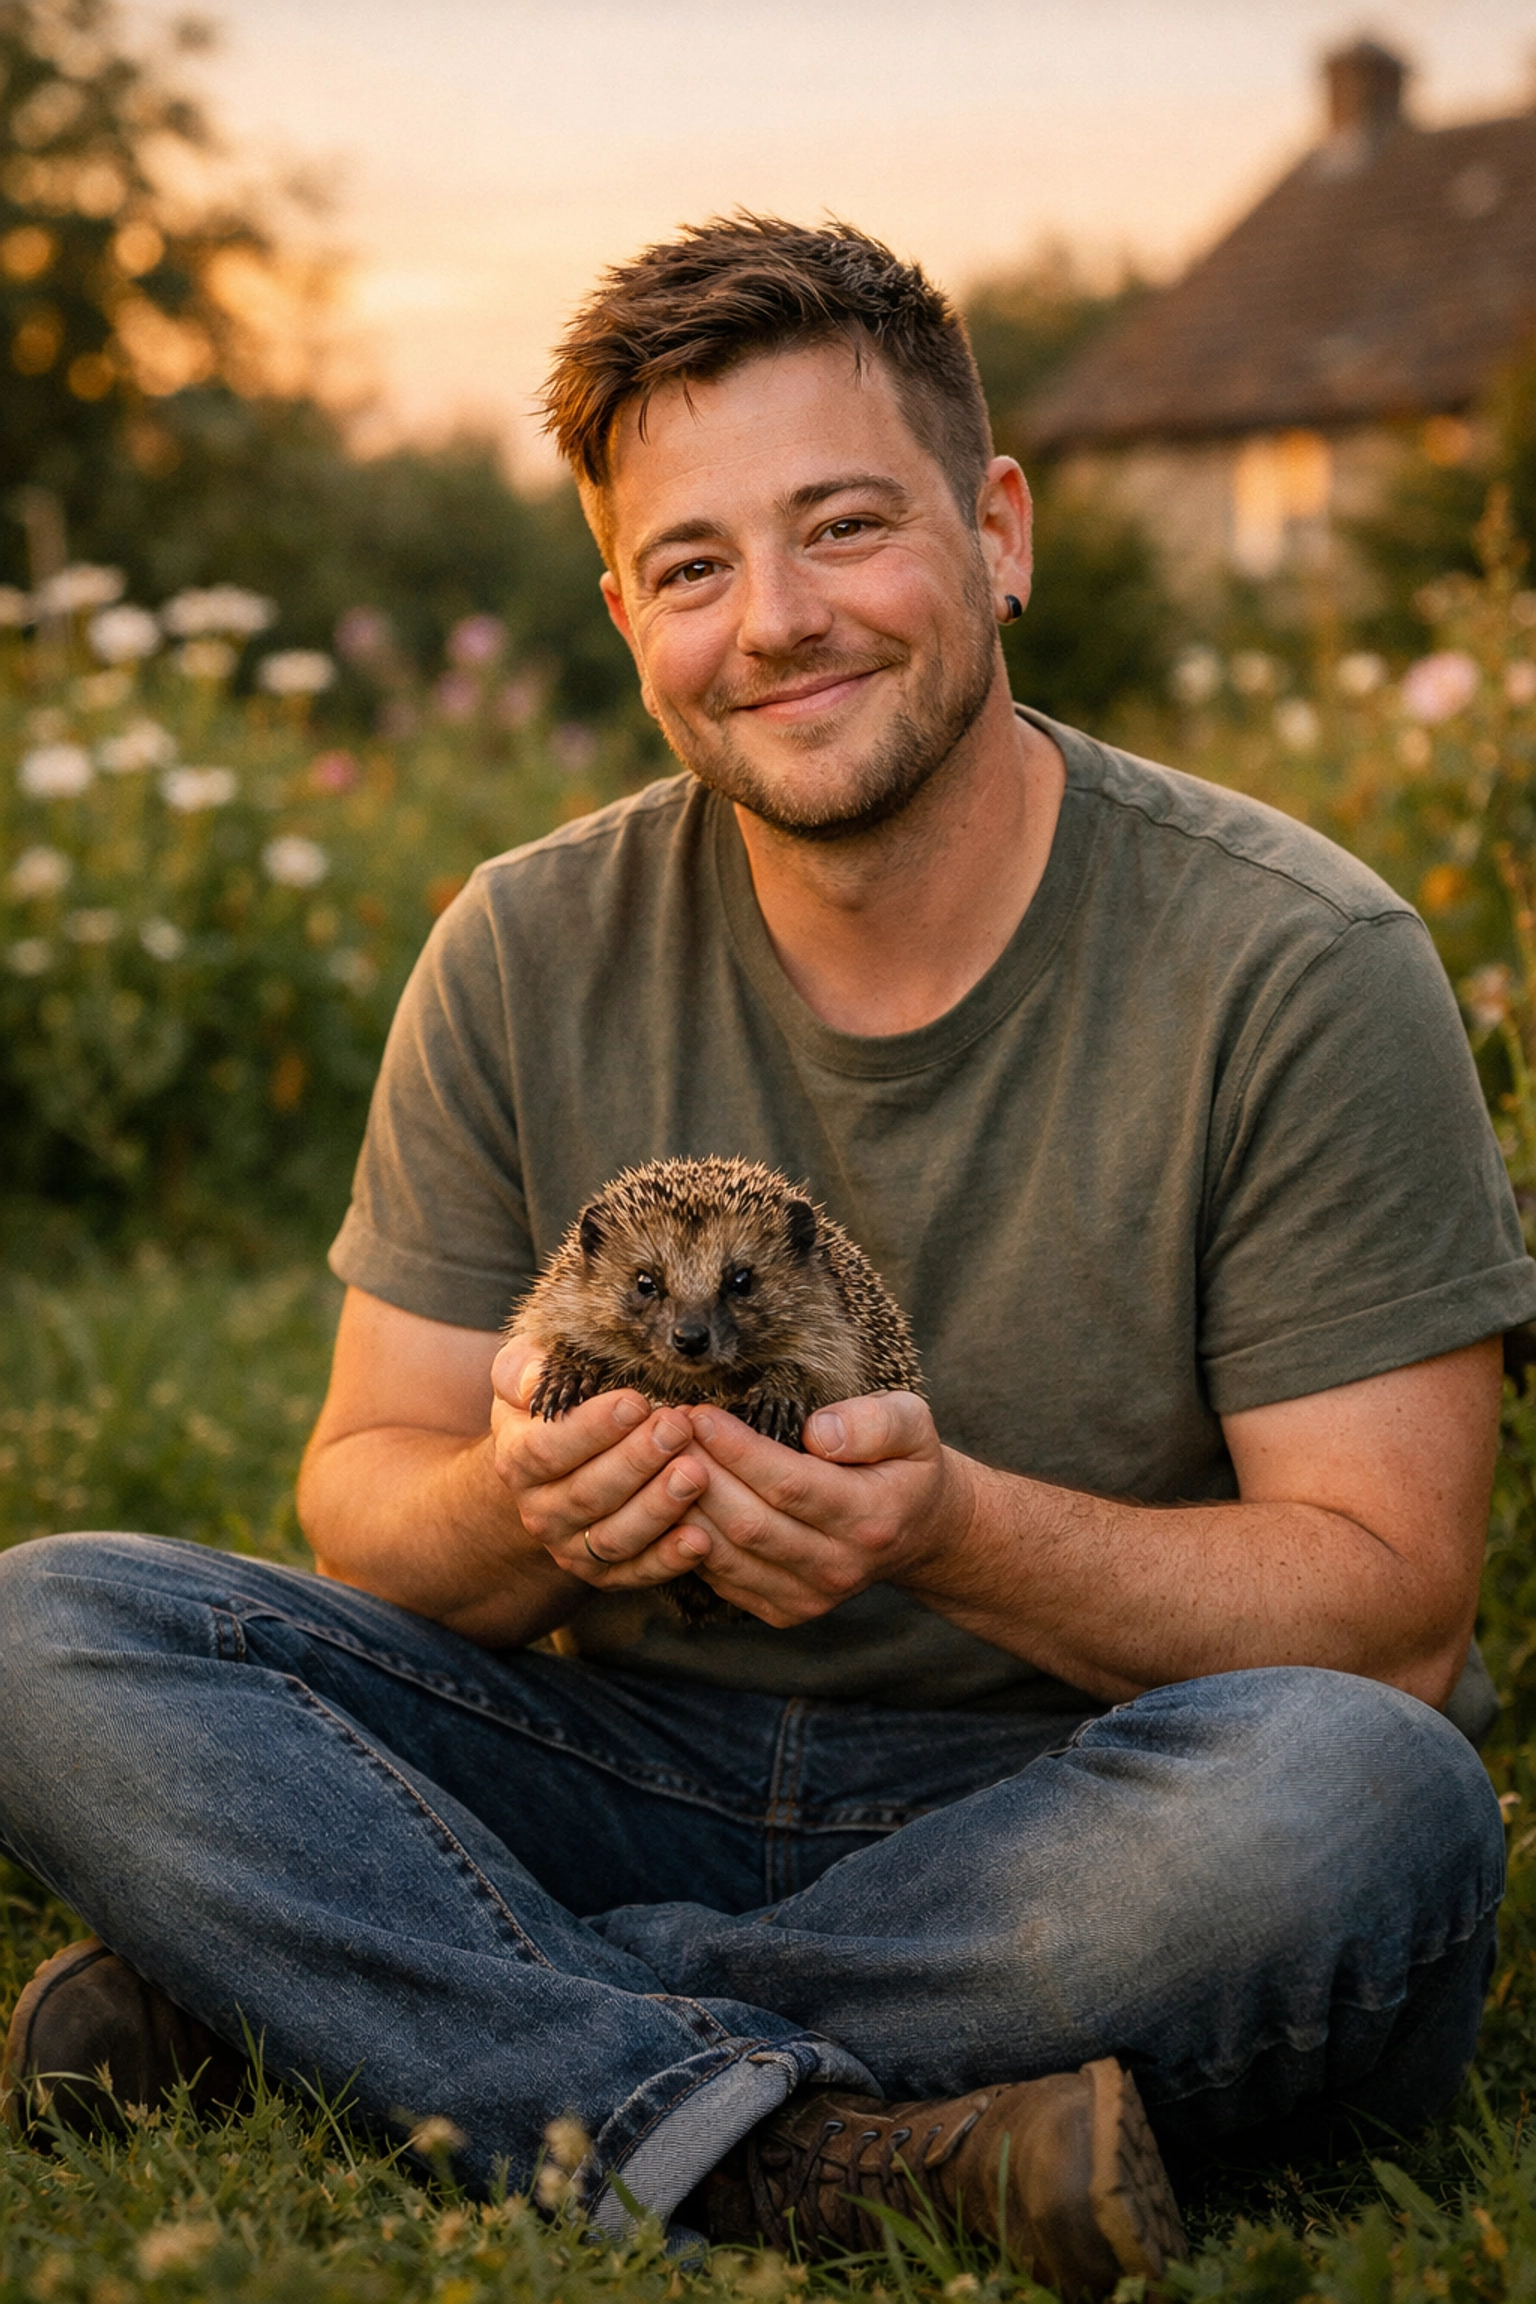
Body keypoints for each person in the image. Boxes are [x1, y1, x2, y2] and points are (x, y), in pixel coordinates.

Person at [1, 215, 1530, 2293]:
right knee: (49, 1635)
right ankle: (805, 2140)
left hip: (1090, 1798)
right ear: (629, 611)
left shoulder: (1301, 964)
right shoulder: (520, 944)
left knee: (1366, 1797)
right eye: (701, 565)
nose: (780, 623)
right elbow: (370, 1511)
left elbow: (1390, 1622)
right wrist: (525, 1507)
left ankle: (398, 2010)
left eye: (843, 529)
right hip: (612, 1760)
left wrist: (948, 1525)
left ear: (997, 532)